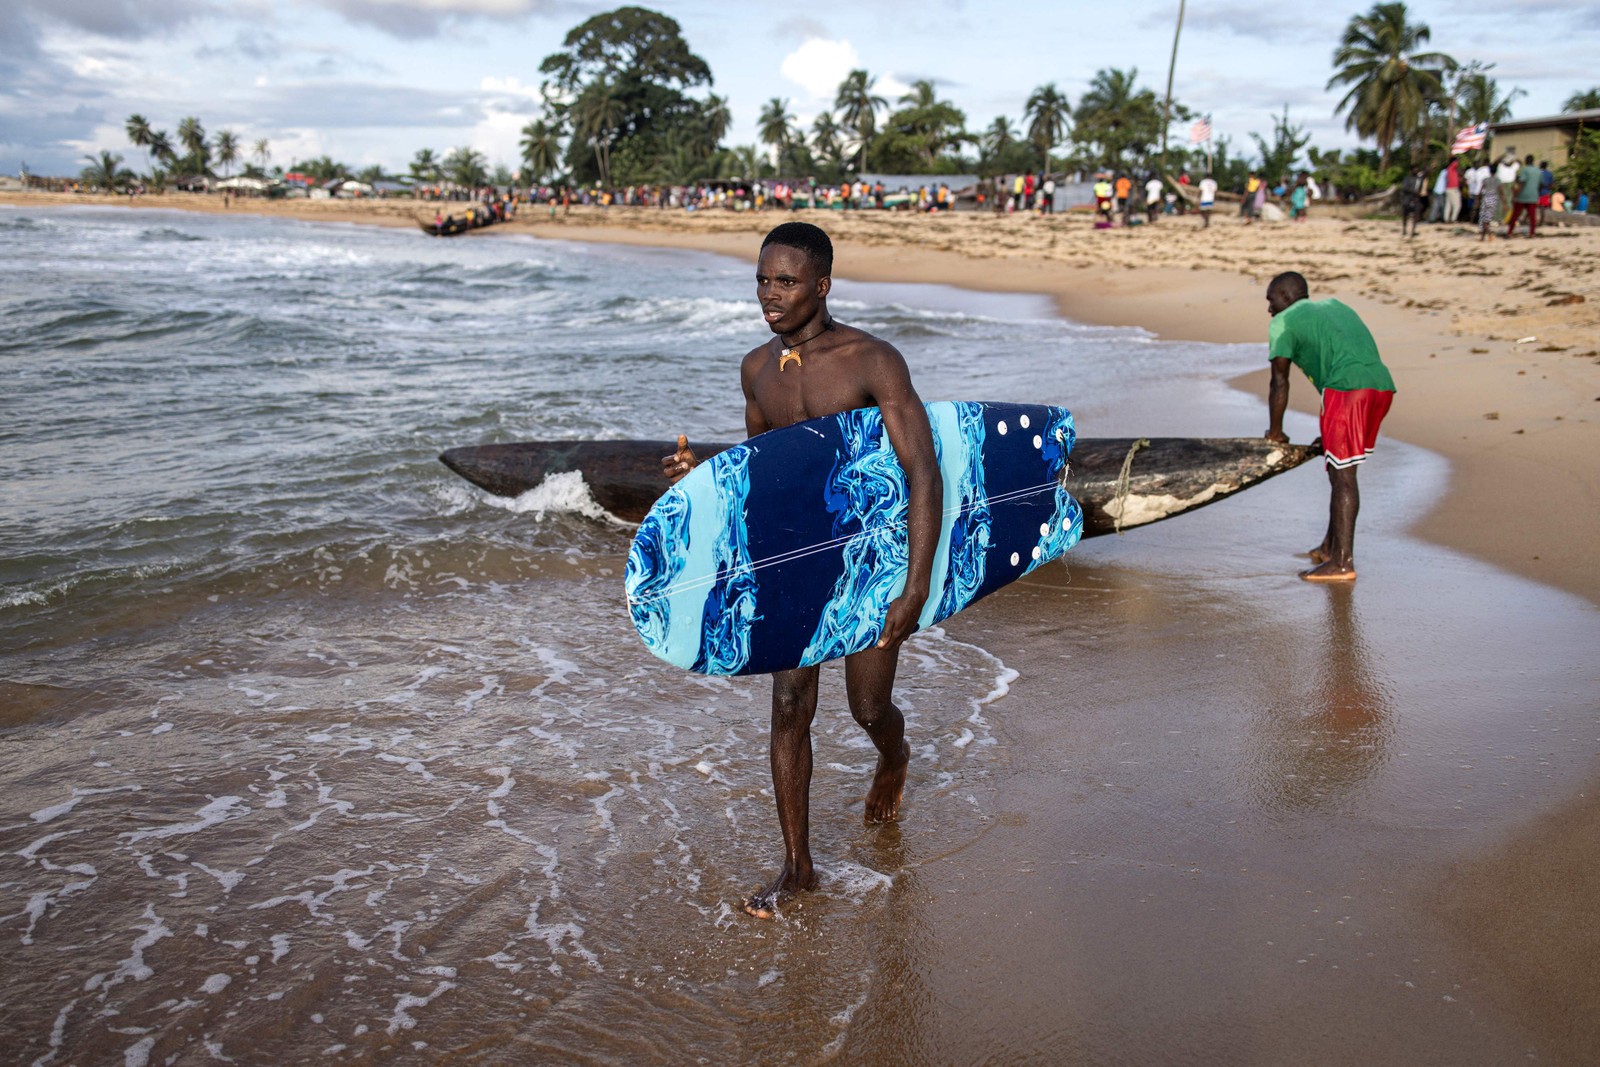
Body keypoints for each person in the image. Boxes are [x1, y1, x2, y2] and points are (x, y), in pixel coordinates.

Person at [661, 222, 942, 918]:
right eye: (761, 279)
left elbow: (923, 472)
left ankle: (894, 755)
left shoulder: (872, 361)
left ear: (821, 283)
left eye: (784, 281)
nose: (769, 295)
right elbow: (764, 470)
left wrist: (915, 584)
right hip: (798, 557)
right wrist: (705, 476)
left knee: (868, 707)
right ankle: (798, 867)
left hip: (872, 554)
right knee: (789, 705)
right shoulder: (757, 368)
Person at [1263, 271, 1396, 582]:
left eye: (1270, 301)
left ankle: (1342, 562)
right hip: (1381, 387)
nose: (1268, 309)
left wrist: (1276, 433)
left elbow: (1279, 382)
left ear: (1285, 297)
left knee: (1343, 475)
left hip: (1346, 391)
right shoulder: (1338, 306)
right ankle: (1329, 546)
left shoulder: (1282, 322)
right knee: (1340, 467)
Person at [1506, 153, 1540, 238]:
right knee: (1532, 216)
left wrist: (1515, 195)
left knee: (1515, 215)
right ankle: (1532, 233)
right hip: (1533, 196)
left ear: (1526, 161)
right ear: (1533, 161)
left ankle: (1510, 232)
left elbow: (1521, 183)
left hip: (1523, 196)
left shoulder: (1525, 170)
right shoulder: (1538, 171)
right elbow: (1540, 184)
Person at [1476, 165, 1501, 242]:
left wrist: (1477, 200)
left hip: (1485, 199)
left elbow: (1480, 191)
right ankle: (1486, 236)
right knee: (1487, 220)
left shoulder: (1485, 180)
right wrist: (1505, 203)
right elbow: (1501, 191)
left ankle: (1486, 236)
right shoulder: (1498, 180)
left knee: (1484, 219)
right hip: (1493, 199)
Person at [1400, 166, 1425, 237]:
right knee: (1405, 214)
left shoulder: (1419, 179)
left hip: (1416, 199)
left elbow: (1426, 171)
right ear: (1411, 171)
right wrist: (1414, 192)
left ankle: (1413, 230)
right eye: (1415, 170)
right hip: (1407, 198)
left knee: (1416, 214)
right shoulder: (1407, 179)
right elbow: (1404, 188)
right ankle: (1404, 229)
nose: (1416, 171)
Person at [1443, 156, 1462, 223]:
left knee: (1448, 205)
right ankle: (1453, 219)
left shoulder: (1449, 169)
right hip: (1453, 189)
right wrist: (1457, 159)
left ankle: (1446, 219)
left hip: (1448, 188)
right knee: (1457, 205)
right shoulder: (1452, 167)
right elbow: (1456, 163)